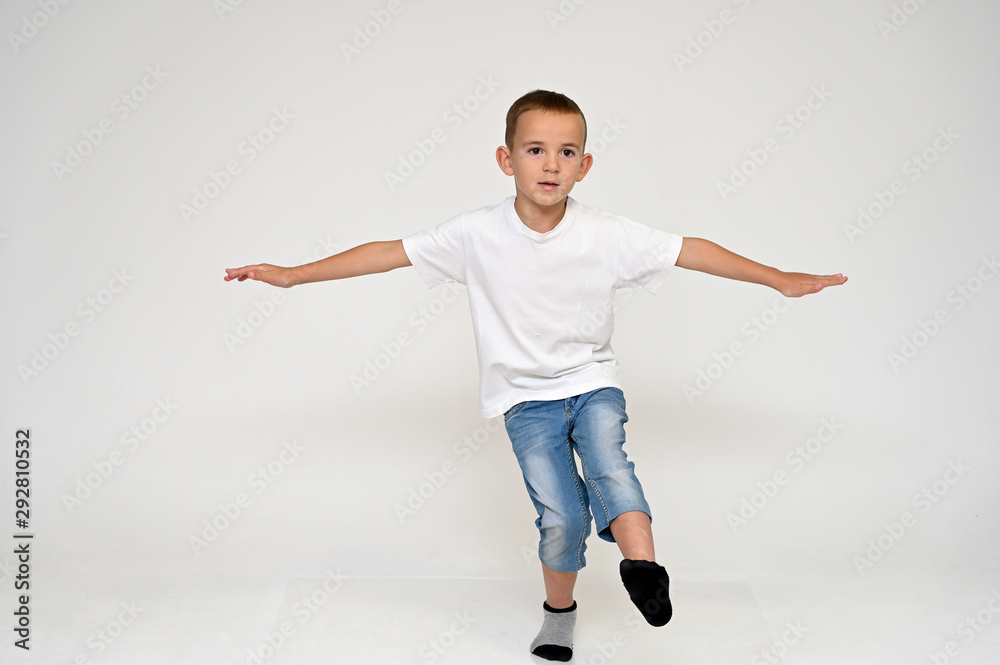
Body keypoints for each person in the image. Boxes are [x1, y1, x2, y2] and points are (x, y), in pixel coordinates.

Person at [225, 89, 847, 661]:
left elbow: (690, 249)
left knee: (610, 464)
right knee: (562, 518)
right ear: (506, 159)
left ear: (585, 165)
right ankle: (559, 614)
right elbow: (389, 253)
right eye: (535, 150)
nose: (551, 164)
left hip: (592, 382)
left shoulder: (606, 233)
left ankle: (643, 571)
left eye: (567, 152)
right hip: (525, 400)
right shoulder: (474, 233)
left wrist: (779, 279)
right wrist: (294, 274)